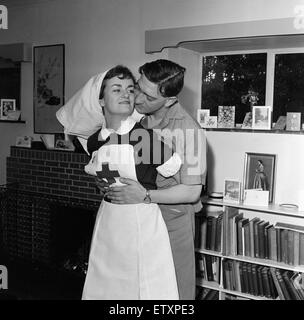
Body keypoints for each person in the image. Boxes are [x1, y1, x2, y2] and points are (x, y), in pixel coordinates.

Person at [56, 65, 181, 300]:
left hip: (139, 223)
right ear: (101, 100)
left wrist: (145, 193)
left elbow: (172, 168)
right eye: (116, 89)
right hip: (108, 222)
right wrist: (100, 185)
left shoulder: (142, 137)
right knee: (104, 284)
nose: (126, 94)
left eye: (130, 89)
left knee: (141, 287)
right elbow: (102, 174)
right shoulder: (94, 141)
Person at [104, 59, 207, 300]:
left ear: (169, 100)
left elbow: (192, 192)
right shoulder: (138, 120)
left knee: (173, 292)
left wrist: (145, 195)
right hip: (138, 215)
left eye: (149, 97)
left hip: (173, 221)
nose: (138, 99)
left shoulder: (189, 131)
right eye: (138, 88)